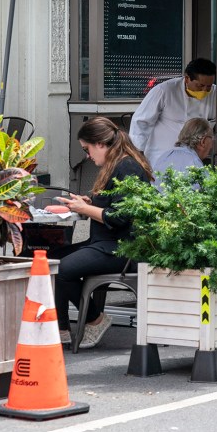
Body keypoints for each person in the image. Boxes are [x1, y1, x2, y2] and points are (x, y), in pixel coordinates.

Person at [54, 117, 153, 349]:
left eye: (87, 149)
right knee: (52, 259)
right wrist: (89, 202)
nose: (88, 156)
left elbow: (120, 217)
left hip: (122, 248)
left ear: (100, 144)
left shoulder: (126, 166)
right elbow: (115, 205)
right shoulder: (119, 164)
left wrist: (85, 208)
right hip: (108, 244)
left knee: (61, 268)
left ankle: (95, 318)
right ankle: (62, 328)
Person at [130, 58, 217, 167]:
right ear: (187, 79)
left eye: (209, 86)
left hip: (193, 160)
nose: (205, 90)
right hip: (160, 157)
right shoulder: (164, 91)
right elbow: (141, 122)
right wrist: (137, 152)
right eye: (200, 86)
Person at [151, 117, 213, 188]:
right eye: (211, 139)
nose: (211, 146)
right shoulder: (195, 165)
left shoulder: (164, 156)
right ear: (203, 142)